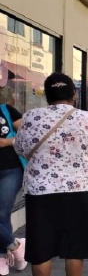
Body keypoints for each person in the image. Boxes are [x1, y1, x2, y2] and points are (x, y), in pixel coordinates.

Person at [13, 73, 88, 276]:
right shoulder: (87, 118)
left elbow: (20, 148)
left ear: (47, 95)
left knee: (41, 251)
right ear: (74, 94)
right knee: (74, 247)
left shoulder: (31, 116)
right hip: (78, 190)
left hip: (40, 191)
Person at [0, 103, 27, 275]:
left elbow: (29, 134)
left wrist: (7, 142)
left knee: (2, 213)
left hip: (10, 170)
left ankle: (3, 256)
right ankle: (15, 247)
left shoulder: (5, 110)